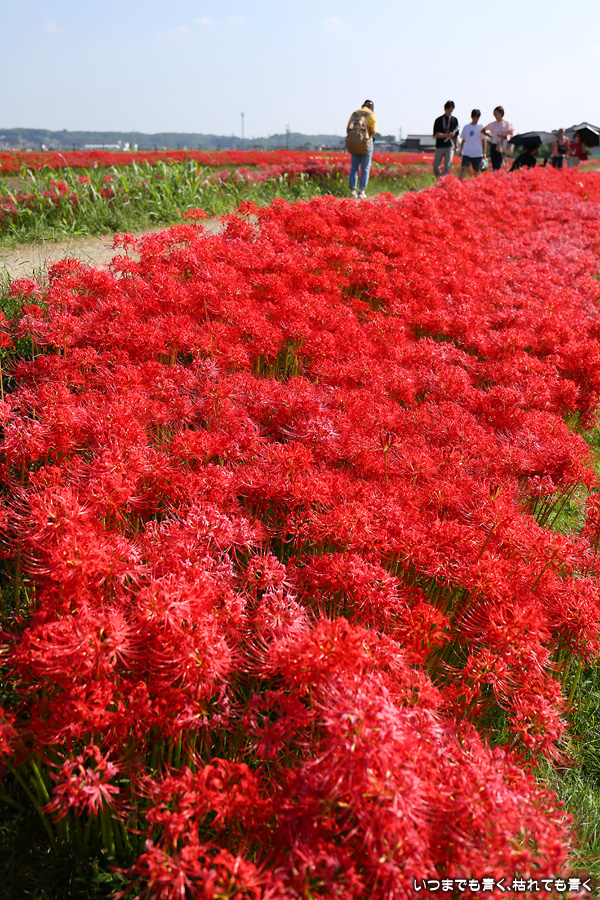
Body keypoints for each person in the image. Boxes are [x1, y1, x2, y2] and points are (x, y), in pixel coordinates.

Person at [346, 100, 378, 199]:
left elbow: (348, 129)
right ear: (371, 107)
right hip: (365, 143)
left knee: (354, 167)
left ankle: (352, 191)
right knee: (365, 167)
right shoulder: (371, 114)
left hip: (354, 143)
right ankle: (361, 191)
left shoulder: (355, 114)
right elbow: (374, 131)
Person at [481, 106, 514, 171]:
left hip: (502, 145)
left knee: (498, 164)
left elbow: (511, 134)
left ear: (501, 113)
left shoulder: (507, 123)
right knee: (494, 164)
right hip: (494, 145)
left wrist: (506, 137)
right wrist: (490, 136)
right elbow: (483, 130)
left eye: (496, 113)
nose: (495, 115)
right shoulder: (493, 124)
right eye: (494, 113)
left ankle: (497, 175)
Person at [433, 101, 459, 179]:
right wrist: (447, 135)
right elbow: (436, 134)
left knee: (447, 166)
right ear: (445, 109)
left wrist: (456, 146)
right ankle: (440, 178)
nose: (450, 112)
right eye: (449, 110)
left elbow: (456, 136)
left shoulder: (454, 120)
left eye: (452, 110)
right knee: (435, 166)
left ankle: (445, 181)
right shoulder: (438, 120)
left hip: (450, 146)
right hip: (440, 146)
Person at [459, 109, 486, 180]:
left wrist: (484, 153)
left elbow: (483, 141)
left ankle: (477, 183)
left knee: (476, 170)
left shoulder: (481, 127)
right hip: (467, 152)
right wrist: (461, 150)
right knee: (463, 167)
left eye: (477, 118)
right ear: (472, 117)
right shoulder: (466, 127)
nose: (476, 119)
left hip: (477, 153)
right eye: (474, 117)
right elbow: (463, 140)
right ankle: (460, 182)